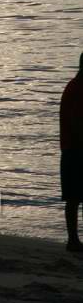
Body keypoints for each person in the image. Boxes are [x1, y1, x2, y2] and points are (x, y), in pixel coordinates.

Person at [60, 52, 83, 251]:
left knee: (74, 198)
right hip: (76, 151)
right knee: (74, 198)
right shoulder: (77, 88)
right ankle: (73, 240)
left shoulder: (74, 86)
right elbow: (77, 123)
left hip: (72, 150)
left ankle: (73, 240)